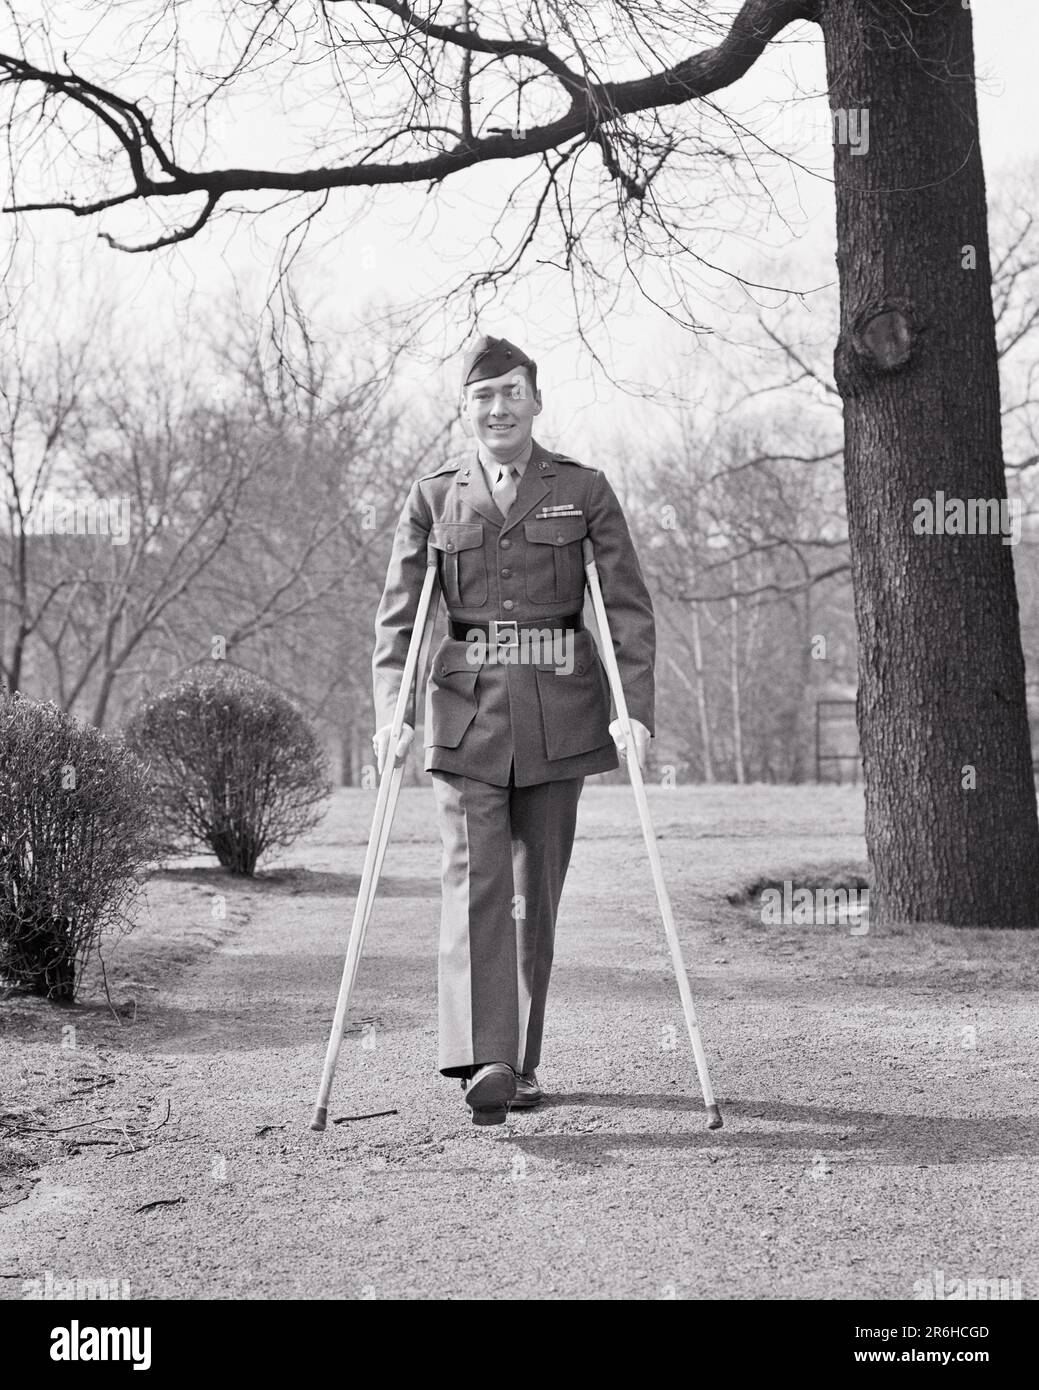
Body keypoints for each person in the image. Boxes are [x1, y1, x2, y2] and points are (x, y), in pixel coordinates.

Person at [371, 334, 655, 1124]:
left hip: (560, 713)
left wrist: (631, 707)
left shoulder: (584, 489)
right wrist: (387, 713)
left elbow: (625, 604)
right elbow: (400, 618)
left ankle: (520, 1062)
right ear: (465, 411)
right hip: (464, 716)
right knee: (474, 884)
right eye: (482, 397)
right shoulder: (433, 498)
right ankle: (482, 1059)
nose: (498, 408)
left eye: (511, 392)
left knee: (535, 896)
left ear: (535, 399)